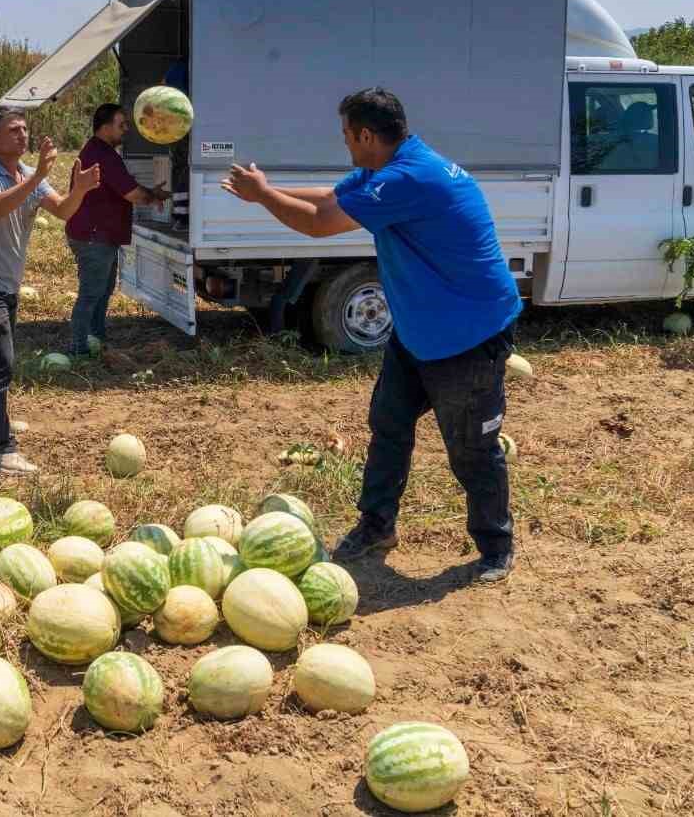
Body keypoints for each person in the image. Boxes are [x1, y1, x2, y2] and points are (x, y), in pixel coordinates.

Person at [221, 87, 521, 582]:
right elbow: (331, 199)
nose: (344, 146)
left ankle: (495, 546)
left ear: (366, 135)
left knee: (471, 448)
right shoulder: (389, 167)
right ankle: (377, 525)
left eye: (346, 136)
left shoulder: (410, 177)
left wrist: (263, 197)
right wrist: (269, 189)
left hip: (467, 333)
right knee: (389, 425)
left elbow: (320, 225)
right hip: (419, 327)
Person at [0, 107, 101, 475]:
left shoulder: (27, 176)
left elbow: (64, 211)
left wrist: (80, 190)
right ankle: (0, 448)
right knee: (0, 363)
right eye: (13, 130)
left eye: (25, 129)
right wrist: (38, 173)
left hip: (6, 285)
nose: (23, 135)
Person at [64, 103, 168, 356]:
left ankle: (95, 338)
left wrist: (150, 193)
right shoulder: (104, 156)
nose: (126, 130)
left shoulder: (100, 151)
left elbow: (124, 187)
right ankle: (79, 348)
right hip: (94, 237)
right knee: (91, 293)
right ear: (105, 126)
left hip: (98, 235)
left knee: (102, 290)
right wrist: (152, 196)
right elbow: (132, 193)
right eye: (121, 125)